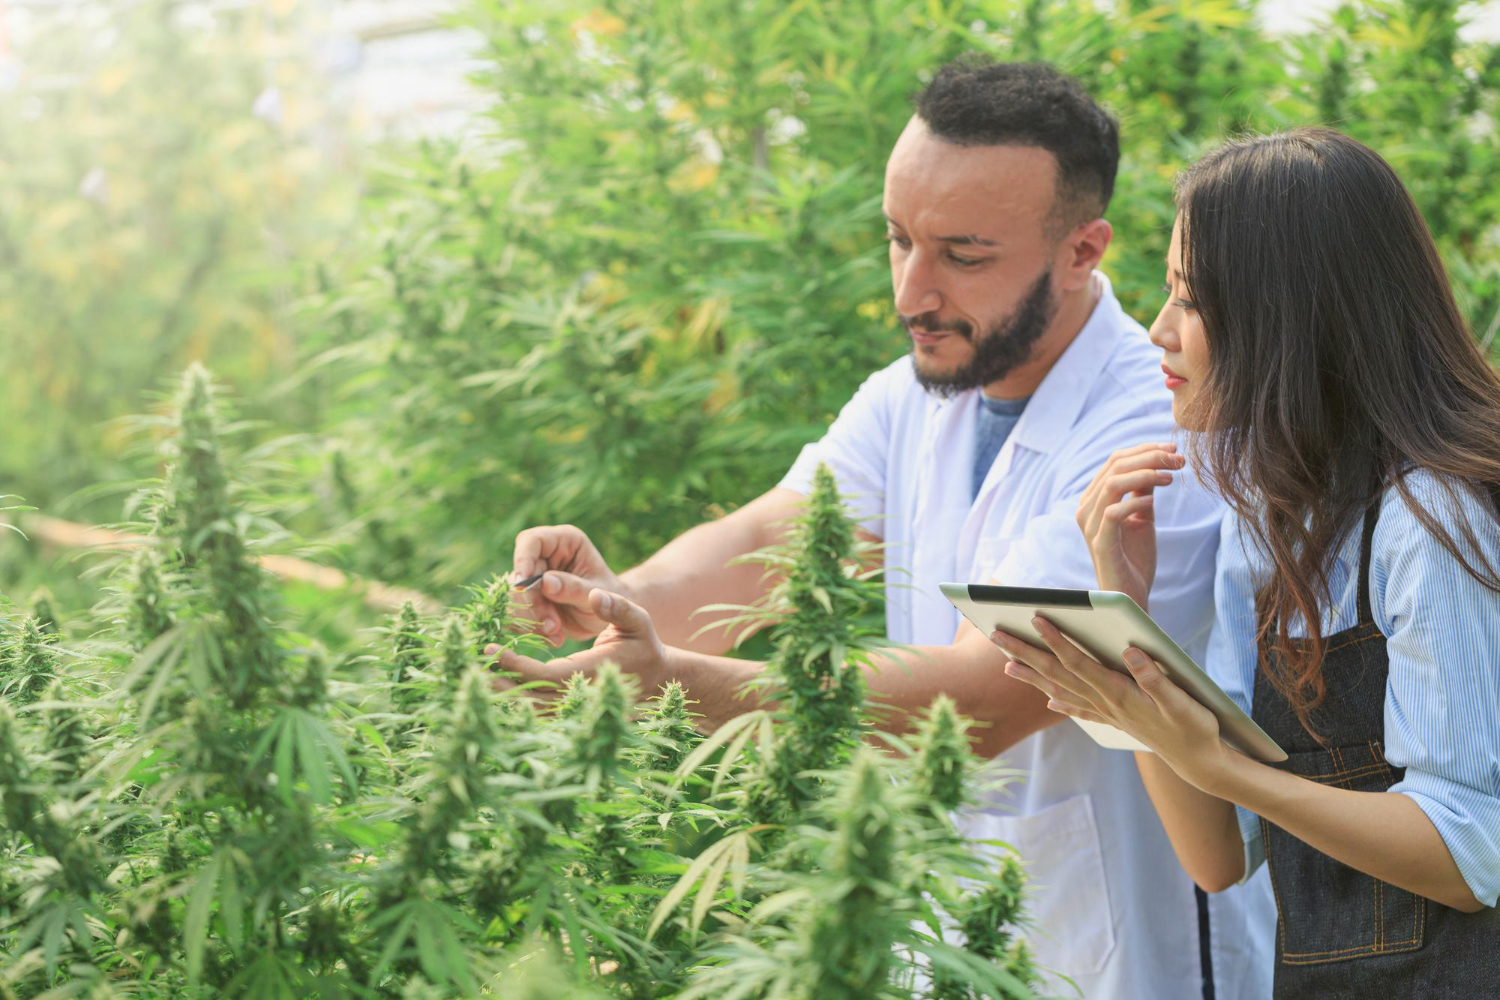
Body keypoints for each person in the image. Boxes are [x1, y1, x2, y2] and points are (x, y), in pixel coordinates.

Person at [493, 58, 1274, 998]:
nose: (912, 291)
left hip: (1127, 949)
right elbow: (765, 548)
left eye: (963, 254)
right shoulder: (912, 396)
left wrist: (675, 684)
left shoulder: (1158, 426)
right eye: (899, 240)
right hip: (948, 936)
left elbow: (989, 697)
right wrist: (609, 601)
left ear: (1082, 250)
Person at [993, 127, 1500, 997]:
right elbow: (1219, 853)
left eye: (1190, 302)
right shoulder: (1264, 525)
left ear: (1287, 316)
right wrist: (1126, 620)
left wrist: (1220, 765)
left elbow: (1469, 852)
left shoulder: (1433, 518)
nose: (1159, 332)